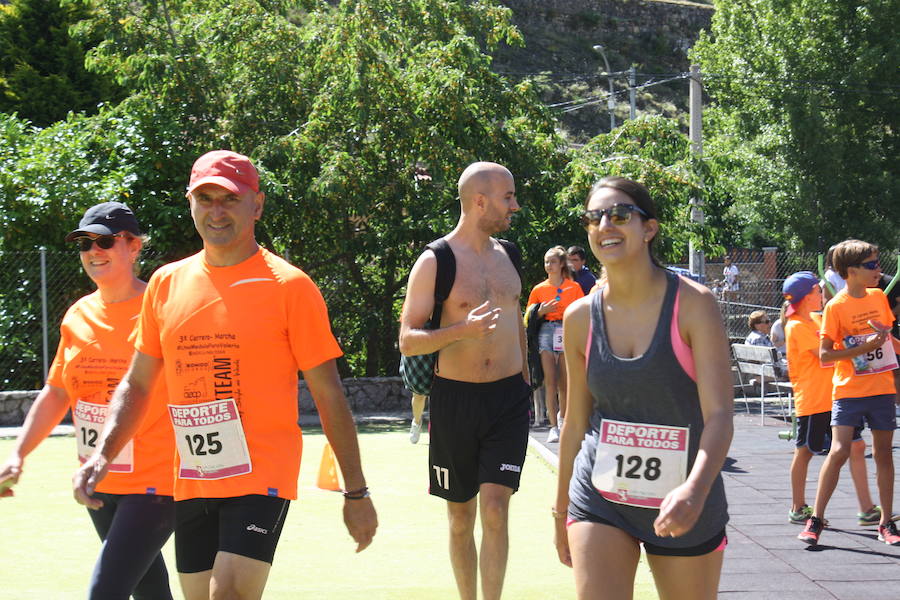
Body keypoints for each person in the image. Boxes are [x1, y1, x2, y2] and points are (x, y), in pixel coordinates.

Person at [72, 150, 378, 598]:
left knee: (229, 593)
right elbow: (137, 384)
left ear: (256, 205)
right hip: (193, 474)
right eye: (206, 198)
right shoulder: (165, 283)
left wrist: (356, 492)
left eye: (229, 199)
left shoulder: (290, 286)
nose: (216, 211)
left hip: (261, 473)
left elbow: (329, 394)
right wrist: (102, 455)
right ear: (190, 204)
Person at [554, 177, 733, 599]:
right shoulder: (579, 317)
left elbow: (720, 416)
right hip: (600, 496)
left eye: (619, 215)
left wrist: (695, 488)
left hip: (685, 498)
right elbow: (575, 420)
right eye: (593, 218)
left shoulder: (694, 304)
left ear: (648, 228)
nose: (605, 226)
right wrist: (560, 509)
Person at [0, 202, 176, 600]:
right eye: (84, 244)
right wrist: (19, 454)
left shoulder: (162, 310)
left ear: (134, 247)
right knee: (149, 588)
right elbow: (58, 391)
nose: (93, 251)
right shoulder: (77, 315)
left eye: (105, 241)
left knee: (106, 590)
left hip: (157, 478)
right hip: (96, 477)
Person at [398, 161, 530, 600]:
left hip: (509, 399)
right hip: (456, 400)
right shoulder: (436, 261)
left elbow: (518, 326)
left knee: (495, 508)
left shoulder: (510, 254)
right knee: (461, 517)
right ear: (480, 201)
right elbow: (408, 341)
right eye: (507, 197)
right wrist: (461, 332)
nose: (515, 205)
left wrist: (527, 382)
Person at [799, 240, 900, 546]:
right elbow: (825, 354)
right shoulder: (836, 306)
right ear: (850, 271)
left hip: (882, 388)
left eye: (878, 263)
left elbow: (887, 340)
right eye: (871, 265)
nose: (878, 270)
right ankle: (816, 518)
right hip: (849, 390)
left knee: (883, 454)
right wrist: (863, 347)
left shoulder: (878, 297)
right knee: (840, 450)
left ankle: (886, 522)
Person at [781, 272, 880, 527]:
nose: (821, 295)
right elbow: (827, 356)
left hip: (836, 397)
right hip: (814, 400)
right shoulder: (797, 326)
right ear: (806, 296)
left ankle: (867, 509)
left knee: (857, 447)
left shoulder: (815, 319)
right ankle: (797, 506)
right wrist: (862, 350)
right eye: (817, 291)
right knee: (805, 451)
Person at [527, 246, 584, 443]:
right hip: (546, 332)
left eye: (552, 261)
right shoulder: (539, 289)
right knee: (549, 381)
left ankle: (563, 420)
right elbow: (528, 317)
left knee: (564, 382)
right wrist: (541, 312)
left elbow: (582, 312)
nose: (548, 266)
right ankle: (553, 426)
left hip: (566, 331)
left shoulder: (573, 287)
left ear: (561, 264)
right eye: (546, 262)